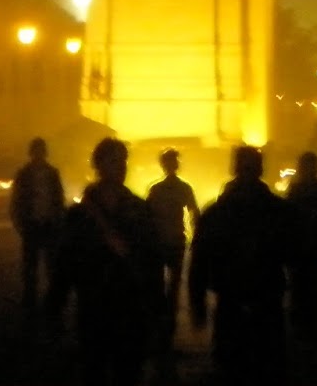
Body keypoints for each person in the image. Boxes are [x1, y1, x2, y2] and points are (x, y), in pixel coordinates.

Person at [46, 137, 162, 386]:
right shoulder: (80, 215)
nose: (121, 167)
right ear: (98, 166)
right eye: (114, 161)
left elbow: (151, 261)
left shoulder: (139, 209)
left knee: (127, 372)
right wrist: (55, 306)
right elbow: (65, 262)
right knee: (95, 370)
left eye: (123, 161)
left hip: (129, 308)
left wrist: (156, 309)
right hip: (95, 307)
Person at [188, 145, 293, 385]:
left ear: (234, 169)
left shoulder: (216, 213)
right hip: (267, 301)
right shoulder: (279, 210)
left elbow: (199, 262)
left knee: (231, 367)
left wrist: (198, 304)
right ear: (261, 169)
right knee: (268, 365)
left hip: (231, 301)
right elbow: (296, 253)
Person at [144, 147, 200, 347]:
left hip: (162, 241)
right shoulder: (183, 188)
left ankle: (161, 323)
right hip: (174, 240)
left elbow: (147, 216)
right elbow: (194, 213)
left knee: (159, 284)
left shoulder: (156, 189)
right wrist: (197, 237)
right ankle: (168, 322)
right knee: (173, 285)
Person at [9, 136, 66, 321]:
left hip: (44, 223)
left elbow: (59, 199)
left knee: (44, 266)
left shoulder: (36, 173)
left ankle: (39, 303)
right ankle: (34, 302)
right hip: (34, 224)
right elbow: (18, 199)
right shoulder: (42, 173)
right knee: (33, 266)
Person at [284, 151, 317, 341]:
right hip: (310, 248)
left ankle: (303, 326)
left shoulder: (297, 191)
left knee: (303, 288)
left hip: (306, 248)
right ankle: (308, 327)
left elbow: (287, 219)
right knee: (309, 288)